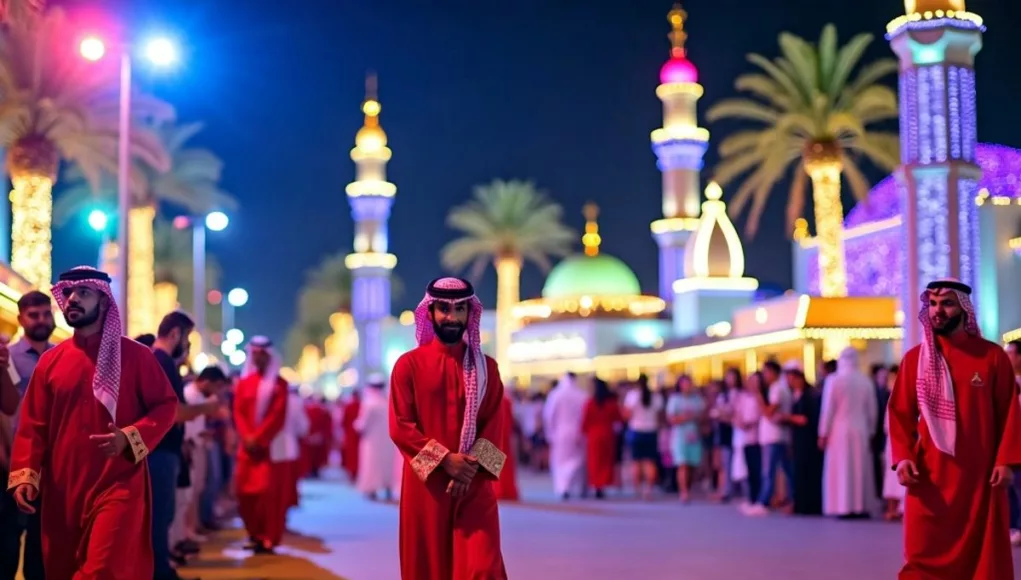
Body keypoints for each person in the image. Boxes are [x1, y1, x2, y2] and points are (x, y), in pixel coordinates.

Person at [6, 266, 179, 578]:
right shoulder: (51, 362)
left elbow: (166, 406)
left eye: (83, 293)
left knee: (102, 570)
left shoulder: (136, 356)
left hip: (118, 483)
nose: (72, 299)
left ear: (104, 302)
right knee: (63, 568)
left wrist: (130, 437)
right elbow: (33, 425)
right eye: (69, 293)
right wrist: (26, 474)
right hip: (62, 489)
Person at [889, 279, 1021, 579]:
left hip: (981, 477)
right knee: (923, 549)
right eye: (933, 304)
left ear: (963, 308)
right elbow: (899, 414)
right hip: (930, 475)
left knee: (983, 552)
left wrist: (1005, 461)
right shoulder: (914, 360)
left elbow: (1010, 414)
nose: (938, 311)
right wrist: (904, 457)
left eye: (947, 304)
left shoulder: (991, 357)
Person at [389, 277, 507, 580]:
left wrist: (469, 472)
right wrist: (445, 461)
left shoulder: (487, 368)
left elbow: (495, 426)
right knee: (429, 568)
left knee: (482, 567)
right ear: (429, 312)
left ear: (471, 314)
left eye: (460, 310)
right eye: (443, 309)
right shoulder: (408, 366)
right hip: (427, 489)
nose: (452, 318)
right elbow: (400, 428)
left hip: (474, 486)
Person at [151, 311, 219, 579]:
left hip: (164, 450)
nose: (188, 345)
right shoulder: (162, 361)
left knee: (165, 514)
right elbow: (174, 412)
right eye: (187, 337)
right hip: (161, 451)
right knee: (161, 516)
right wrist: (207, 407)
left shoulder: (162, 361)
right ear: (176, 334)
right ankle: (160, 572)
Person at [0, 291, 54, 580]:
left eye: (46, 313)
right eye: (34, 315)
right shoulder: (10, 357)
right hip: (15, 460)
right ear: (21, 319)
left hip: (51, 465)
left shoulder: (62, 355)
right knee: (8, 542)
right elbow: (10, 409)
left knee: (41, 545)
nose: (42, 320)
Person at [233, 336, 290, 554]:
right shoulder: (244, 383)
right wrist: (247, 436)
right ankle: (253, 534)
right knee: (244, 492)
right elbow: (238, 411)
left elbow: (277, 415)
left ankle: (268, 536)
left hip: (269, 449)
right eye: (254, 354)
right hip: (247, 449)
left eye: (261, 354)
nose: (257, 358)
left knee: (268, 494)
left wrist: (258, 437)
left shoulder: (280, 384)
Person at [819, 347, 877, 518]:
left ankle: (843, 506)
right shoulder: (865, 381)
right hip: (861, 429)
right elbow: (872, 410)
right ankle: (860, 506)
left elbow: (828, 409)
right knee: (860, 469)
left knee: (843, 469)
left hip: (839, 430)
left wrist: (823, 432)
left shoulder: (834, 380)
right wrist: (871, 430)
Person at [744, 360, 793, 516]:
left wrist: (757, 393)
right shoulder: (777, 388)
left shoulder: (777, 389)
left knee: (769, 471)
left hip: (775, 437)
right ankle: (791, 499)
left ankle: (763, 502)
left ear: (773, 372)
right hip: (775, 436)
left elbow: (768, 412)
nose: (764, 376)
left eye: (766, 372)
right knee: (786, 470)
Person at [543, 372, 589, 500]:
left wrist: (549, 433)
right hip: (578, 432)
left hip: (560, 432)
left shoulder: (556, 395)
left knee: (560, 462)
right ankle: (578, 487)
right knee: (578, 461)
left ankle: (563, 488)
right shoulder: (582, 395)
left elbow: (549, 416)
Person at [785, 363, 823, 515]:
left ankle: (808, 505)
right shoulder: (796, 396)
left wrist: (788, 417)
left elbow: (807, 419)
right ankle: (799, 504)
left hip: (808, 441)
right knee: (799, 473)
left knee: (808, 474)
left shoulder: (809, 396)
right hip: (799, 440)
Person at [622, 374, 663, 500]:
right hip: (651, 431)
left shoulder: (632, 396)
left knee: (636, 462)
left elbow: (626, 415)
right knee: (650, 462)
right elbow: (660, 416)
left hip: (636, 431)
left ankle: (637, 488)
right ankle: (648, 489)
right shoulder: (656, 397)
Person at [355, 374, 395, 501]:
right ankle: (388, 487)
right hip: (388, 440)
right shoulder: (388, 401)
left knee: (371, 464)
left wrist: (356, 426)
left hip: (371, 441)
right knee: (387, 464)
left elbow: (362, 423)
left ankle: (371, 489)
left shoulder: (369, 402)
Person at [665, 375, 705, 503]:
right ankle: (683, 491)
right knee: (682, 463)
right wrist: (684, 418)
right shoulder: (675, 399)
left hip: (694, 435)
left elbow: (703, 416)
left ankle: (688, 487)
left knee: (692, 464)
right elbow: (671, 419)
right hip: (680, 435)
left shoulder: (697, 400)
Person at [581, 377, 622, 499]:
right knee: (605, 462)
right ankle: (601, 484)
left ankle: (596, 484)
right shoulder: (611, 403)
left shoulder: (590, 403)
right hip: (607, 435)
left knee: (594, 462)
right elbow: (618, 418)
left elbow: (585, 421)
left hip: (593, 436)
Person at [272, 385, 310, 511]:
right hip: (288, 445)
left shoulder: (272, 398)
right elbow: (302, 426)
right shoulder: (295, 402)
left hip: (270, 446)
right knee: (285, 485)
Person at [493, 391, 520, 501]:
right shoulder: (507, 400)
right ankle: (508, 490)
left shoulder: (492, 397)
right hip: (505, 433)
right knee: (506, 462)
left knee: (494, 462)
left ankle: (498, 489)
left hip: (494, 433)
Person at [340, 390, 361, 482]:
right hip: (359, 435)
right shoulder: (362, 405)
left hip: (350, 433)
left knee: (351, 453)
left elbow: (343, 421)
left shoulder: (348, 406)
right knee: (357, 454)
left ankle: (352, 472)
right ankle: (357, 471)